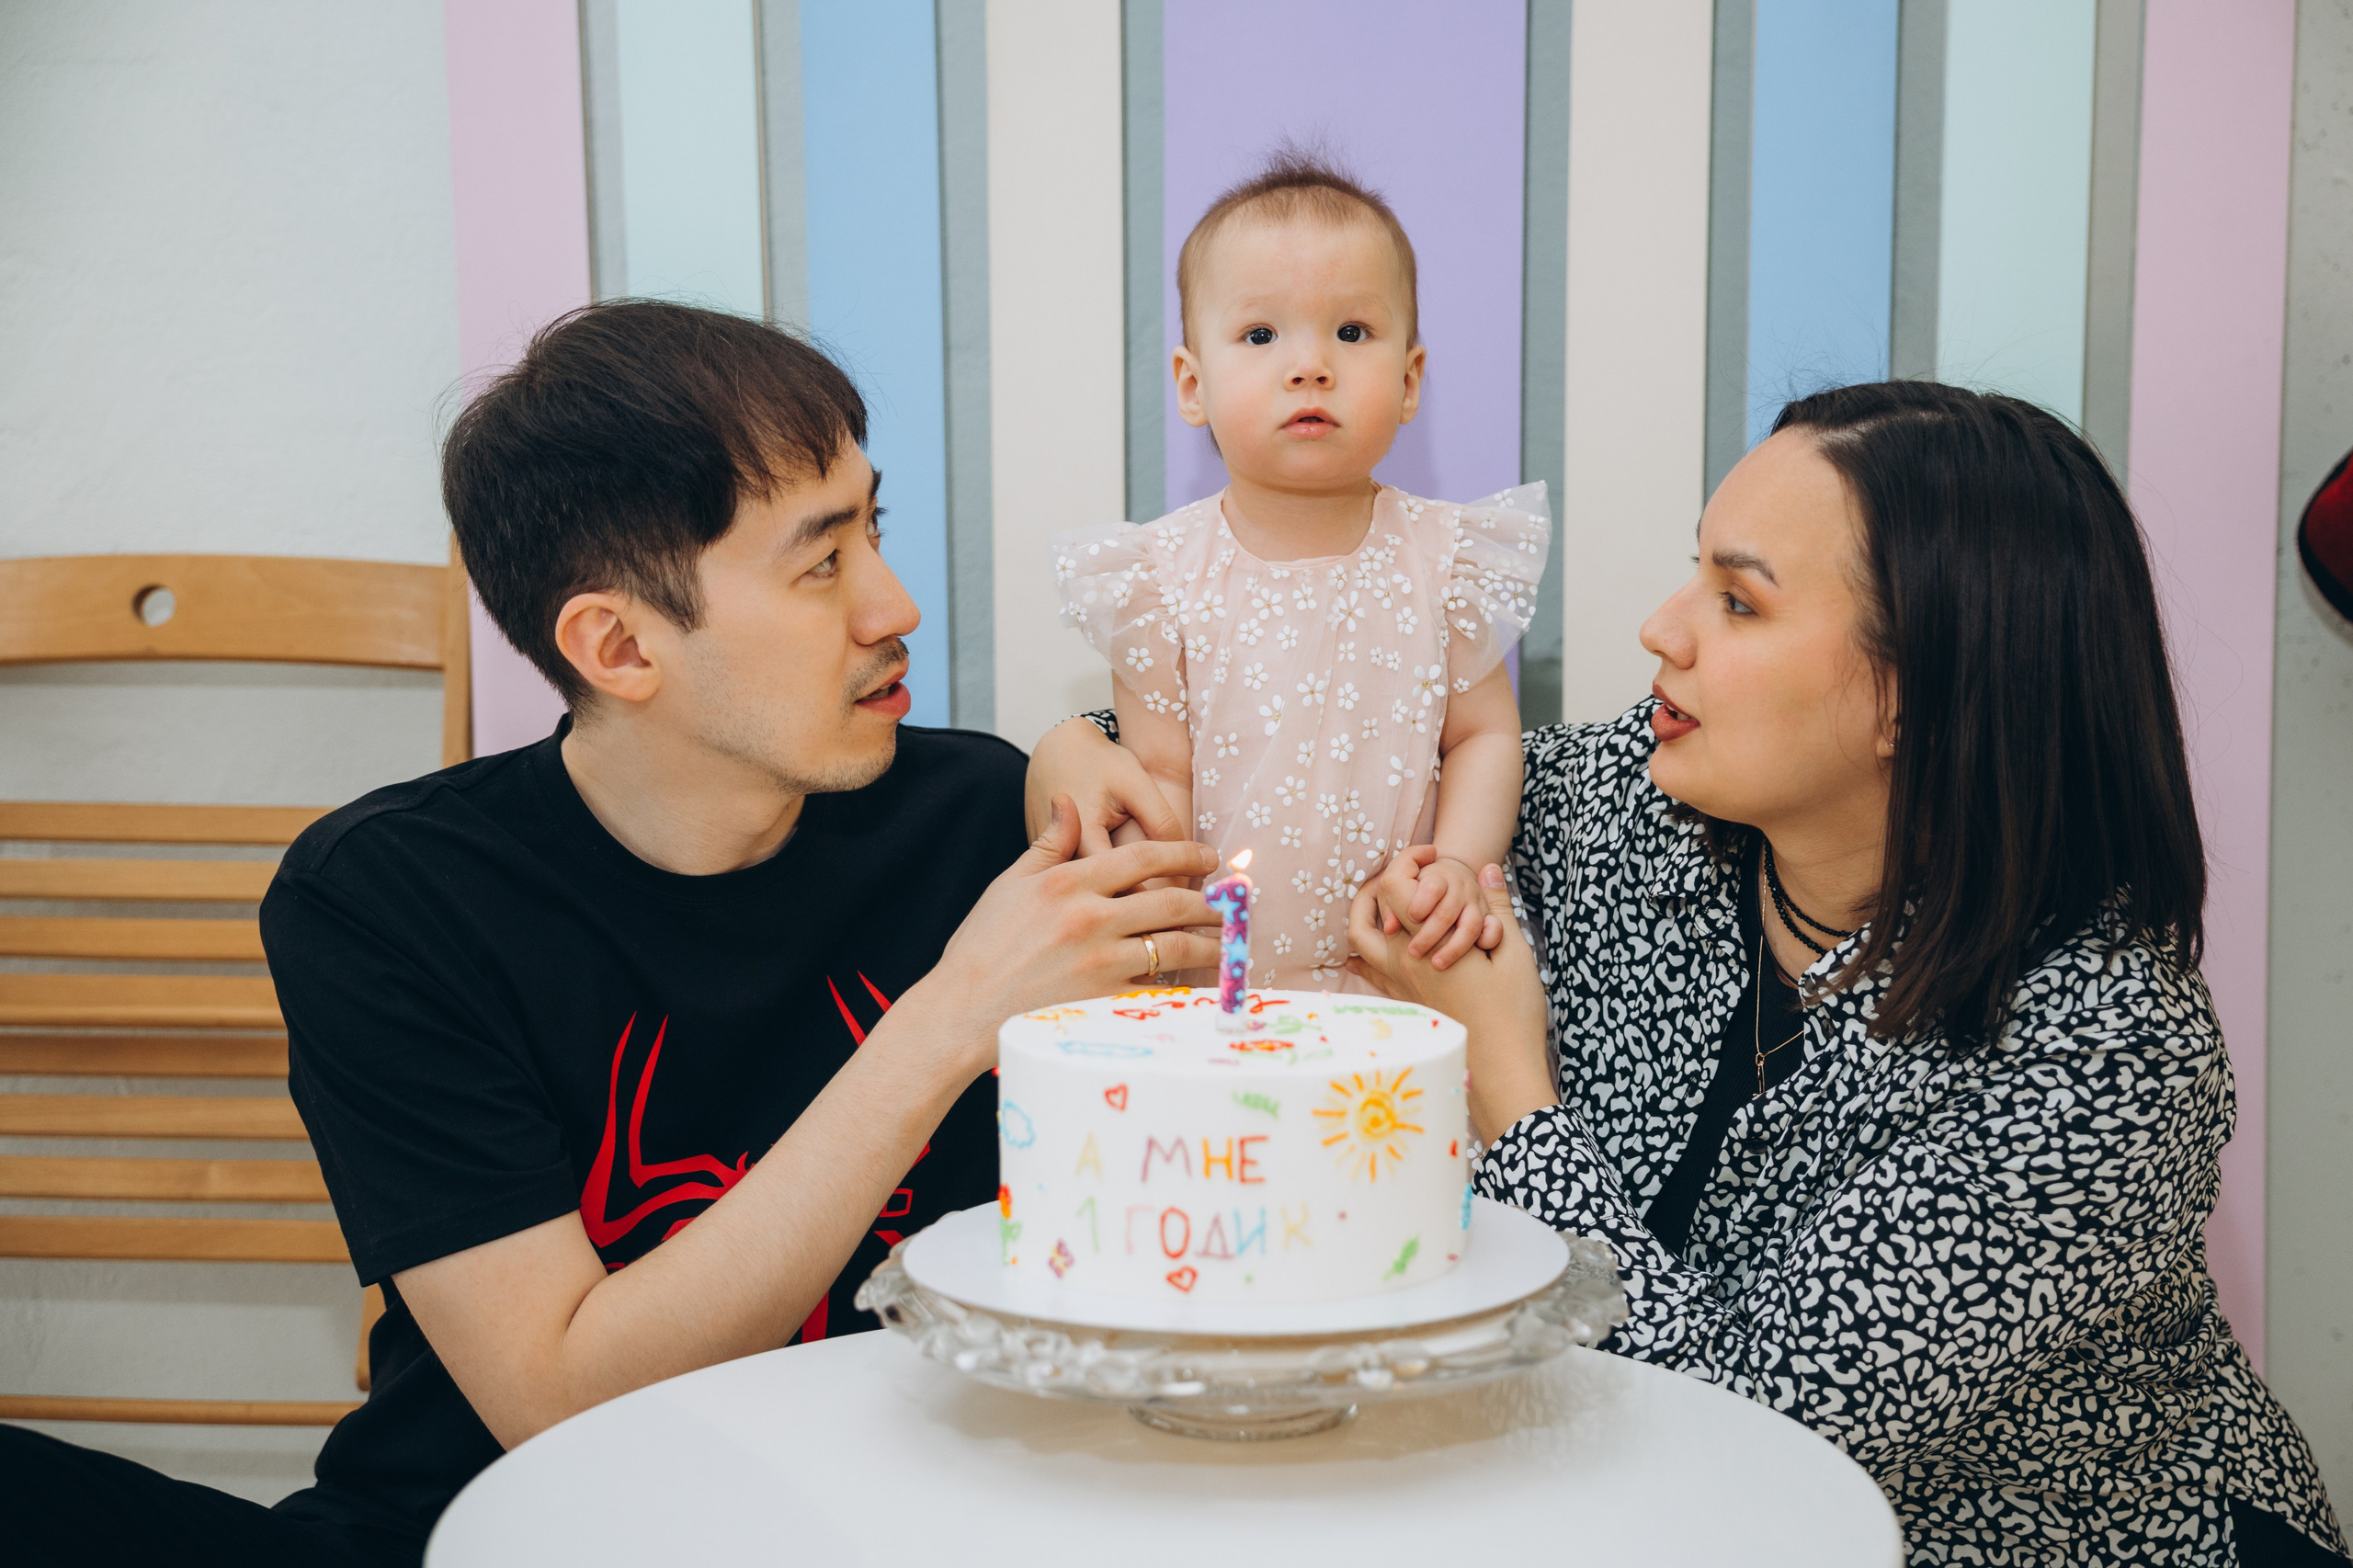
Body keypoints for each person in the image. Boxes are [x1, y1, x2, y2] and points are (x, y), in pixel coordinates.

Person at [1032, 381, 2347, 1564]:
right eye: (1691, 577)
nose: (1661, 629)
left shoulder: (2109, 1052)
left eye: (1739, 599)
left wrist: (1510, 1084)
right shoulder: (1626, 805)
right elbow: (1316, 765)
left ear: (1912, 695)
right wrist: (1076, 746)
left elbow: (1746, 1427)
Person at [0, 301, 1220, 1567]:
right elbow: (561, 1395)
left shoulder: (985, 818)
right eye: (821, 561)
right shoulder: (389, 900)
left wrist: (1092, 749)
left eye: (877, 529)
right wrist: (952, 1018)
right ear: (620, 643)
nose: (892, 604)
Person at [1050, 149, 1549, 988]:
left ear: (1410, 378)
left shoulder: (1448, 559)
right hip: (1227, 966)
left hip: (1401, 952)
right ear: (1192, 384)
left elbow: (1484, 735)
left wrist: (1461, 863)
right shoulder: (1158, 578)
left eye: (1352, 333)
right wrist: (1149, 892)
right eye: (1261, 334)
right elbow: (1160, 770)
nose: (1310, 364)